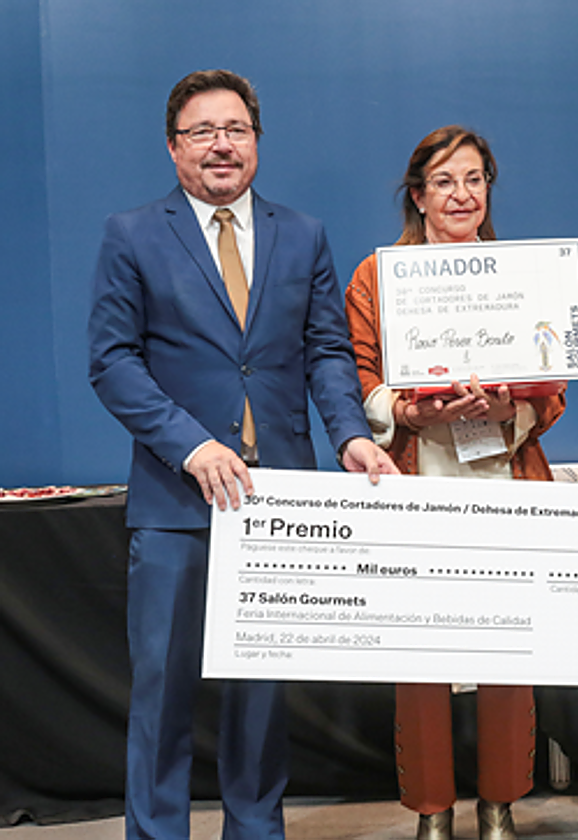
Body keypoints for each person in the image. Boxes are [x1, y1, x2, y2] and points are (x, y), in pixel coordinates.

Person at [88, 69, 397, 839]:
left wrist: (352, 435)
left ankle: (255, 830)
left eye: (236, 129)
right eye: (202, 131)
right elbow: (113, 362)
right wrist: (190, 445)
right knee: (162, 691)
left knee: (261, 693)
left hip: (280, 505)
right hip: (176, 499)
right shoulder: (131, 235)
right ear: (173, 147)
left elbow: (327, 351)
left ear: (257, 142)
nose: (221, 144)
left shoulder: (304, 233)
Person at [345, 125, 565, 840]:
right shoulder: (378, 276)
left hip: (501, 474)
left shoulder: (520, 273)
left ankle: (499, 802)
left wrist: (514, 409)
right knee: (422, 655)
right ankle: (432, 810)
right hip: (416, 476)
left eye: (474, 180)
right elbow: (360, 375)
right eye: (444, 181)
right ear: (418, 196)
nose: (461, 195)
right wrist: (404, 409)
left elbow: (553, 382)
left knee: (508, 647)